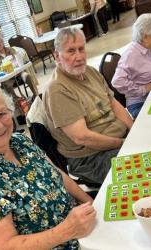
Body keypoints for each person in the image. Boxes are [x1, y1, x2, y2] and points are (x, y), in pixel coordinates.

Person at [0, 79, 96, 250]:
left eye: (2, 113)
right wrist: (67, 231)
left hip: (78, 230)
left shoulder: (18, 141)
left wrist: (91, 203)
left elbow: (56, 173)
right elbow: (5, 246)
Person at [43, 27, 133, 185]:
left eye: (81, 49)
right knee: (141, 164)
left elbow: (113, 103)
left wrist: (134, 130)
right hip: (91, 157)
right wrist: (124, 143)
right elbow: (82, 137)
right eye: (71, 51)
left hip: (118, 139)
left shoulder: (90, 72)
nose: (79, 57)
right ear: (57, 56)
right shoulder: (58, 89)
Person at [112, 13, 151, 119]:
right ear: (145, 36)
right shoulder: (131, 55)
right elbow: (117, 81)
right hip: (140, 103)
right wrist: (143, 89)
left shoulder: (150, 49)